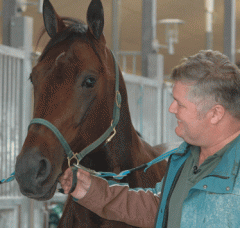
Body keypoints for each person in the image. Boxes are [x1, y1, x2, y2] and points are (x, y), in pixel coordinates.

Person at [60, 50, 240, 228]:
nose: (171, 108)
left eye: (181, 104)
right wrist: (91, 190)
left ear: (215, 114)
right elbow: (159, 208)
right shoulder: (185, 157)